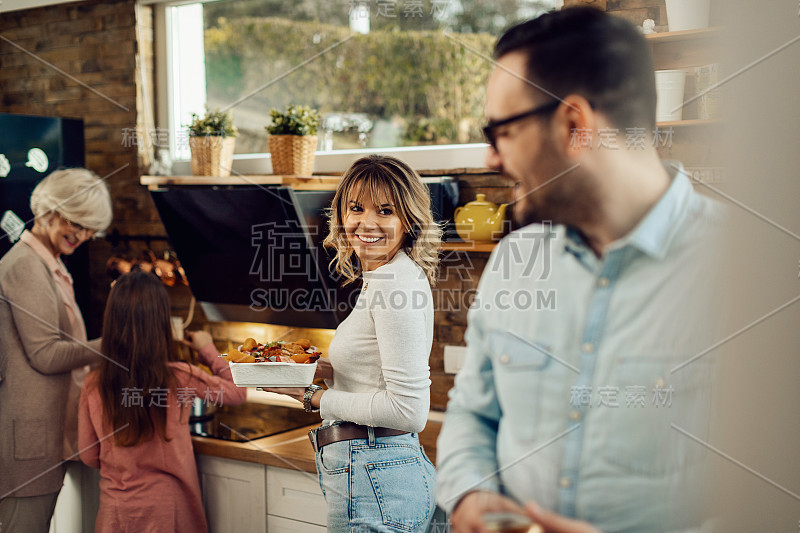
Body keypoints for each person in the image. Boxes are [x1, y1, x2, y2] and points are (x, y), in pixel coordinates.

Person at [435, 7, 723, 533]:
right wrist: (470, 494)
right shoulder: (515, 262)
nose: (491, 158)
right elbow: (473, 415)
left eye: (500, 131)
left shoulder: (749, 275)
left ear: (575, 126)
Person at [263, 154, 441, 532]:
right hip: (377, 473)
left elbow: (409, 411)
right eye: (355, 208)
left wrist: (311, 396)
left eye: (385, 210)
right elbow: (375, 373)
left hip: (376, 474)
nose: (366, 222)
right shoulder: (388, 277)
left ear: (408, 221)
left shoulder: (392, 285)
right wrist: (322, 369)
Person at [78, 271, 246, 532]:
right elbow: (237, 392)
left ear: (111, 323)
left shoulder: (93, 382)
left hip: (115, 513)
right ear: (161, 323)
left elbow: (89, 455)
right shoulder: (179, 375)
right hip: (168, 511)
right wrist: (208, 349)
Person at [0, 168, 113, 533]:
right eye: (75, 222)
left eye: (88, 227)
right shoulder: (25, 265)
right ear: (49, 209)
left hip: (43, 433)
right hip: (27, 439)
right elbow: (46, 355)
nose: (82, 234)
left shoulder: (49, 264)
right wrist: (115, 344)